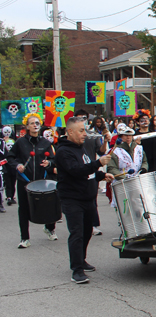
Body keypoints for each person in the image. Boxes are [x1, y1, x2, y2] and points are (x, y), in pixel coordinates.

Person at [56, 116, 114, 284]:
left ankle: (81, 259)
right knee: (77, 233)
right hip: (72, 198)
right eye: (81, 131)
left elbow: (87, 171)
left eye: (85, 130)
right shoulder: (63, 151)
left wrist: (102, 175)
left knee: (87, 231)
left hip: (88, 197)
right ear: (70, 132)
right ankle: (77, 270)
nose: (85, 134)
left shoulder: (81, 148)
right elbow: (76, 170)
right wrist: (98, 163)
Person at [7, 113, 57, 248]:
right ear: (27, 126)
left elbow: (53, 160)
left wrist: (49, 163)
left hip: (42, 181)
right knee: (23, 209)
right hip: (25, 181)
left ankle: (49, 228)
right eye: (33, 123)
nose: (35, 125)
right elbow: (10, 158)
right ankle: (24, 238)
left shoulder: (46, 143)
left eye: (37, 123)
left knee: (48, 206)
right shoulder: (20, 142)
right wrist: (18, 165)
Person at [74, 109, 111, 236]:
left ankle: (93, 224)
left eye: (84, 118)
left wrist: (105, 141)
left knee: (92, 198)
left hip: (91, 170)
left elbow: (100, 152)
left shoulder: (93, 135)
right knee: (77, 199)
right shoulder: (70, 136)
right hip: (76, 170)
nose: (82, 121)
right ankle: (79, 224)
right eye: (79, 118)